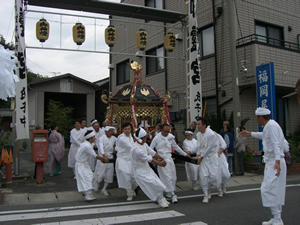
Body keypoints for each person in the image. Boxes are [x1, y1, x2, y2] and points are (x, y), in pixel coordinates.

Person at [240, 107, 286, 225]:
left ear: (260, 117)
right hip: (274, 161)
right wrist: (249, 133)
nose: (256, 120)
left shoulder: (271, 126)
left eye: (256, 117)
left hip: (275, 162)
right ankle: (277, 218)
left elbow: (276, 143)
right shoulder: (270, 126)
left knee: (268, 189)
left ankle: (277, 219)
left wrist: (277, 161)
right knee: (275, 190)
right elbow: (264, 136)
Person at [150, 123, 189, 204]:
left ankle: (168, 192)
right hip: (162, 160)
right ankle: (173, 194)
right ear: (161, 130)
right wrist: (152, 158)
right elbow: (151, 149)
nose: (167, 133)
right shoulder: (156, 138)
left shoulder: (170, 137)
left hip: (170, 159)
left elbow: (176, 147)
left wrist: (185, 154)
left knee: (173, 177)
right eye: (165, 131)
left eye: (168, 131)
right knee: (167, 177)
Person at [131, 127, 170, 208]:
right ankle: (160, 200)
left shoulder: (144, 144)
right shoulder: (137, 149)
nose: (146, 138)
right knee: (153, 183)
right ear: (141, 138)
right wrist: (160, 163)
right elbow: (149, 159)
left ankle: (161, 198)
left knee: (156, 181)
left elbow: (152, 152)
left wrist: (162, 159)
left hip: (146, 168)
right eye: (145, 137)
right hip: (140, 171)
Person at [189, 118, 222, 203]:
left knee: (213, 176)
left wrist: (201, 157)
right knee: (203, 177)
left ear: (204, 125)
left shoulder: (211, 134)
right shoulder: (198, 134)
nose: (197, 126)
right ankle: (206, 194)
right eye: (197, 124)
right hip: (203, 158)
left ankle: (211, 188)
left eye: (199, 124)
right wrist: (197, 155)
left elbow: (209, 148)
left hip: (212, 158)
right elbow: (199, 147)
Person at [75, 130, 108, 201]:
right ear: (90, 138)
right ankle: (87, 194)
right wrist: (104, 159)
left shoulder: (87, 144)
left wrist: (102, 159)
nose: (95, 138)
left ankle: (89, 193)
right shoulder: (87, 145)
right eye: (94, 137)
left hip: (84, 164)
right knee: (87, 178)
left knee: (90, 177)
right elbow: (94, 155)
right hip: (81, 165)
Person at [115, 122, 138, 201]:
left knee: (134, 176)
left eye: (129, 129)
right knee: (126, 176)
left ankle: (132, 189)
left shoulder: (132, 137)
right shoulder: (121, 139)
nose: (127, 131)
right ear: (122, 130)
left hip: (130, 159)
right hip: (122, 159)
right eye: (125, 129)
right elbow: (132, 147)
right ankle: (129, 193)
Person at [93, 126, 117, 196]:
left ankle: (104, 188)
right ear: (105, 131)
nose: (110, 132)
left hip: (110, 158)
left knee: (109, 174)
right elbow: (100, 147)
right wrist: (103, 156)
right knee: (100, 173)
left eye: (111, 131)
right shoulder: (102, 138)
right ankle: (96, 184)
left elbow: (119, 142)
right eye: (109, 131)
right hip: (102, 158)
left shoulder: (113, 138)